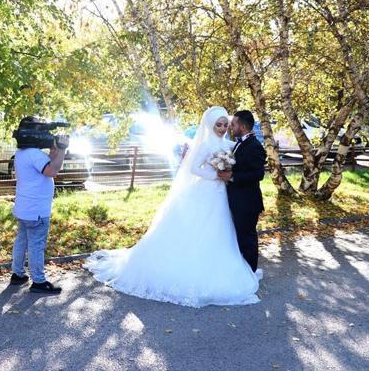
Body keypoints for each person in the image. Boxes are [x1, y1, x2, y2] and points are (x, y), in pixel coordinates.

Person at [84, 106, 260, 307]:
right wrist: (216, 175)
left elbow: (241, 162)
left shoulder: (230, 144)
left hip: (222, 195)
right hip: (206, 191)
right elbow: (194, 168)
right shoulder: (203, 145)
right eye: (218, 125)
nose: (222, 128)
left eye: (225, 125)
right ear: (210, 125)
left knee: (220, 230)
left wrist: (227, 173)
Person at [9, 116, 68, 294]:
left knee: (22, 241)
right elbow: (52, 171)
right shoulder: (34, 154)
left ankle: (17, 274)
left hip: (24, 208)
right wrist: (63, 151)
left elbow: (48, 162)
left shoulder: (22, 153)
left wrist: (54, 150)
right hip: (37, 211)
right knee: (36, 245)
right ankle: (39, 282)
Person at [219, 110, 267, 276]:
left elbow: (258, 174)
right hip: (238, 200)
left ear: (243, 127)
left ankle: (250, 273)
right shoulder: (240, 142)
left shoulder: (255, 146)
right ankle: (243, 271)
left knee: (247, 239)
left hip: (247, 202)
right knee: (240, 237)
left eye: (233, 124)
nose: (230, 127)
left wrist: (233, 176)